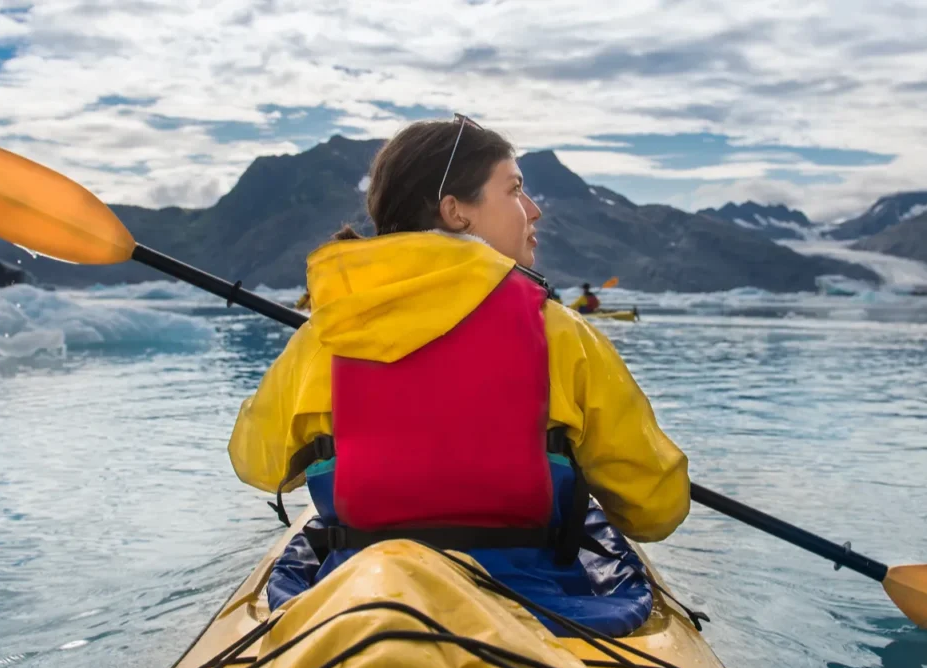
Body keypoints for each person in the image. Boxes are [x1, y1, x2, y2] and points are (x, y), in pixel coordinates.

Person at [229, 114, 690, 636]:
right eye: (514, 189)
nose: (533, 209)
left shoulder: (324, 339)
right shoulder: (561, 334)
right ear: (455, 212)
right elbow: (656, 509)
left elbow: (257, 464)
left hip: (360, 603)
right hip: (537, 609)